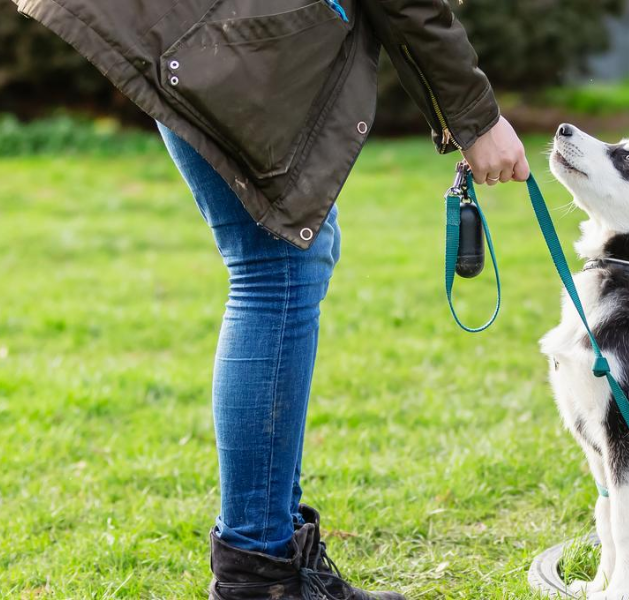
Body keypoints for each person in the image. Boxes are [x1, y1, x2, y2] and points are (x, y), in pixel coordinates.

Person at [15, 0, 529, 597]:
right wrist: (476, 118)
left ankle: (275, 550)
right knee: (275, 270)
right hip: (203, 29)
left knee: (296, 254)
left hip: (201, 24)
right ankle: (258, 568)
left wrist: (459, 114)